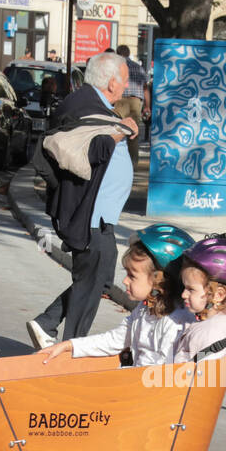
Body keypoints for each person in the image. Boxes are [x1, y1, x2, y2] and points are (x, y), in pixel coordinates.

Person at [27, 52, 137, 347]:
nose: (126, 87)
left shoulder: (89, 104)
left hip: (101, 215)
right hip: (92, 214)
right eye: (124, 80)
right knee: (91, 281)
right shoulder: (86, 108)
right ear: (112, 81)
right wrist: (122, 129)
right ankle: (69, 349)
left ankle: (46, 323)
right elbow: (92, 151)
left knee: (98, 279)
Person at [42, 225, 195, 366]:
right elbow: (115, 339)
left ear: (159, 283)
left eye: (132, 276)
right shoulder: (144, 309)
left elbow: (164, 373)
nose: (125, 280)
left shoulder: (175, 322)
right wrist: (69, 345)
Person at [173, 238, 226, 364]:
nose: (183, 294)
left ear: (218, 295)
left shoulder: (213, 333)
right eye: (184, 288)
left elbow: (200, 377)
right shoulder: (209, 321)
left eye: (191, 289)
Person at [113, 44, 148, 168]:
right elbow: (145, 88)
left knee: (117, 130)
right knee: (133, 134)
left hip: (119, 100)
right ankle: (133, 164)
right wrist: (147, 106)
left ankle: (116, 162)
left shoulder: (116, 67)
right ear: (128, 53)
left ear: (118, 54)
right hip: (135, 102)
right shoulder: (138, 68)